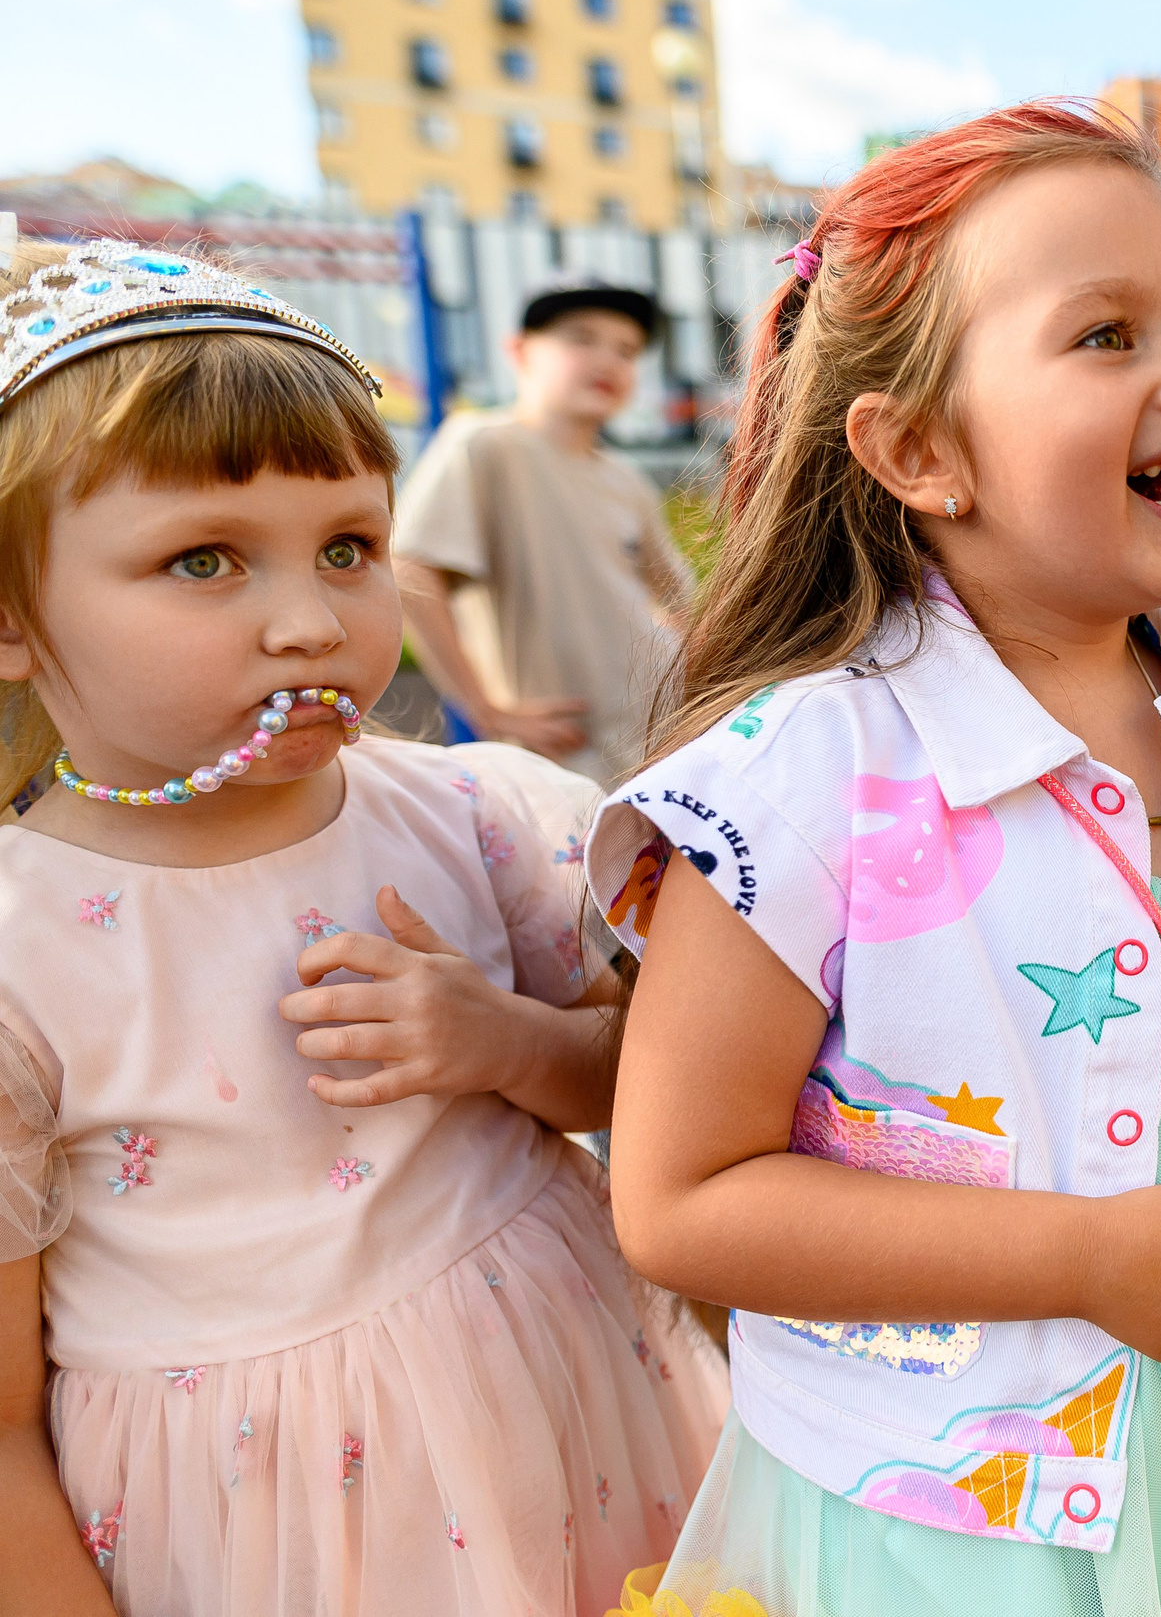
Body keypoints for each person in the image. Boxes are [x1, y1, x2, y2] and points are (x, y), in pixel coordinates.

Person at [587, 103, 1161, 1617]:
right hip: (951, 1523)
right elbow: (681, 1197)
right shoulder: (806, 781)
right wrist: (1082, 1257)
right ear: (920, 448)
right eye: (1107, 335)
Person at [0, 239, 725, 1615]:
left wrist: (508, 1041)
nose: (309, 621)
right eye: (204, 558)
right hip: (268, 1534)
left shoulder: (478, 817)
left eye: (348, 546)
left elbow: (662, 1075)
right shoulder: (19, 949)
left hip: (573, 1411)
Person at [392, 278, 694, 784]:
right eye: (581, 338)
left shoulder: (626, 479)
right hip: (565, 756)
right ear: (520, 350)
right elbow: (408, 567)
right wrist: (485, 709)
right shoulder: (485, 444)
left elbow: (679, 603)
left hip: (660, 742)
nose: (607, 361)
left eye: (626, 350)